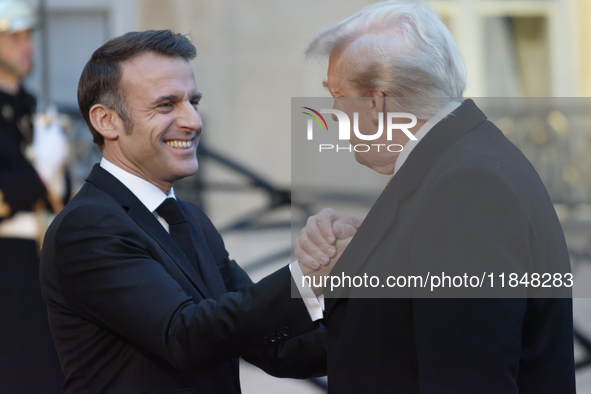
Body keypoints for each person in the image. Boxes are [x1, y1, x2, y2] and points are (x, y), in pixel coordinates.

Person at [294, 1, 575, 392]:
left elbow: (468, 380)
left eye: (337, 95)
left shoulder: (465, 187)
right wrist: (324, 271)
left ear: (376, 103)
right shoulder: (456, 167)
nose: (332, 115)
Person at [39, 30, 333, 393]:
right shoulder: (87, 227)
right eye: (166, 105)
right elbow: (186, 336)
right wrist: (309, 276)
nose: (193, 121)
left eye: (193, 101)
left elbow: (280, 349)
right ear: (106, 121)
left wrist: (389, 304)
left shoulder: (189, 219)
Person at [0, 0, 64, 392]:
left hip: (42, 264)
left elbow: (62, 196)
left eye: (29, 37)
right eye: (14, 37)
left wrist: (58, 180)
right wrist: (41, 173)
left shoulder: (35, 109)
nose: (28, 47)